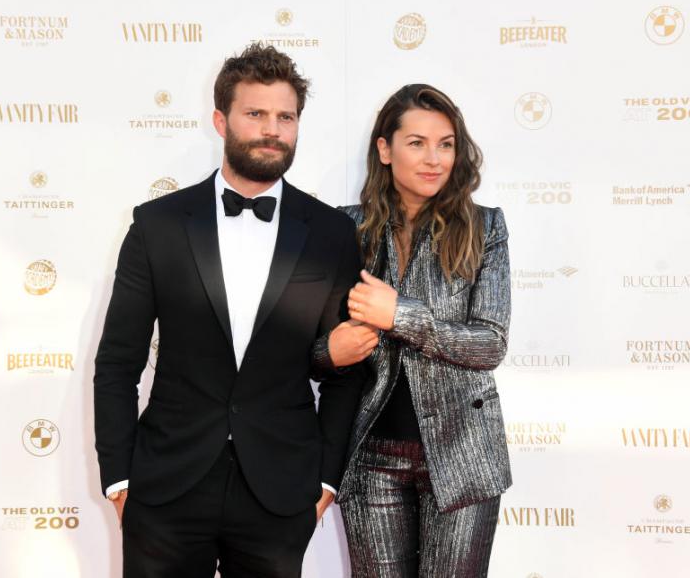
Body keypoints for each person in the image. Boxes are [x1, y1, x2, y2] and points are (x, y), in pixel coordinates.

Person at [93, 43, 373, 578]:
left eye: (285, 117)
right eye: (255, 113)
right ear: (221, 120)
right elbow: (117, 363)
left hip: (279, 493)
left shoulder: (331, 233)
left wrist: (324, 483)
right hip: (166, 487)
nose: (272, 130)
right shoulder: (158, 226)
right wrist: (120, 482)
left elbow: (346, 370)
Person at [315, 84, 512, 577]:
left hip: (464, 457)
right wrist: (329, 352)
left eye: (446, 144)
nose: (434, 159)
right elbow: (314, 349)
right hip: (369, 458)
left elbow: (490, 343)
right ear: (385, 149)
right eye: (417, 143)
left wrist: (399, 315)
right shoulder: (344, 229)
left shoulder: (485, 227)